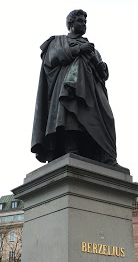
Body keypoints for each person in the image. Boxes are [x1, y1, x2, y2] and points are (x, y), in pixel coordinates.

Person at [31, 9, 117, 166]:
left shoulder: (92, 48)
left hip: (92, 92)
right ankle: (72, 149)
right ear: (70, 23)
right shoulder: (58, 41)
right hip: (68, 86)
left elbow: (103, 74)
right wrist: (78, 50)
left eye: (85, 22)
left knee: (108, 118)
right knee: (70, 114)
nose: (83, 24)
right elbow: (52, 58)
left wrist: (96, 61)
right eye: (80, 21)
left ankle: (106, 156)